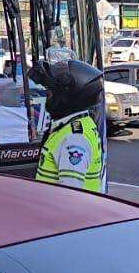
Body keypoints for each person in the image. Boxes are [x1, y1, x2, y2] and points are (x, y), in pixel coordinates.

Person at [30, 57, 107, 191]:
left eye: (51, 92)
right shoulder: (73, 125)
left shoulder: (74, 138)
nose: (47, 96)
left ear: (68, 97)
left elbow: (70, 194)